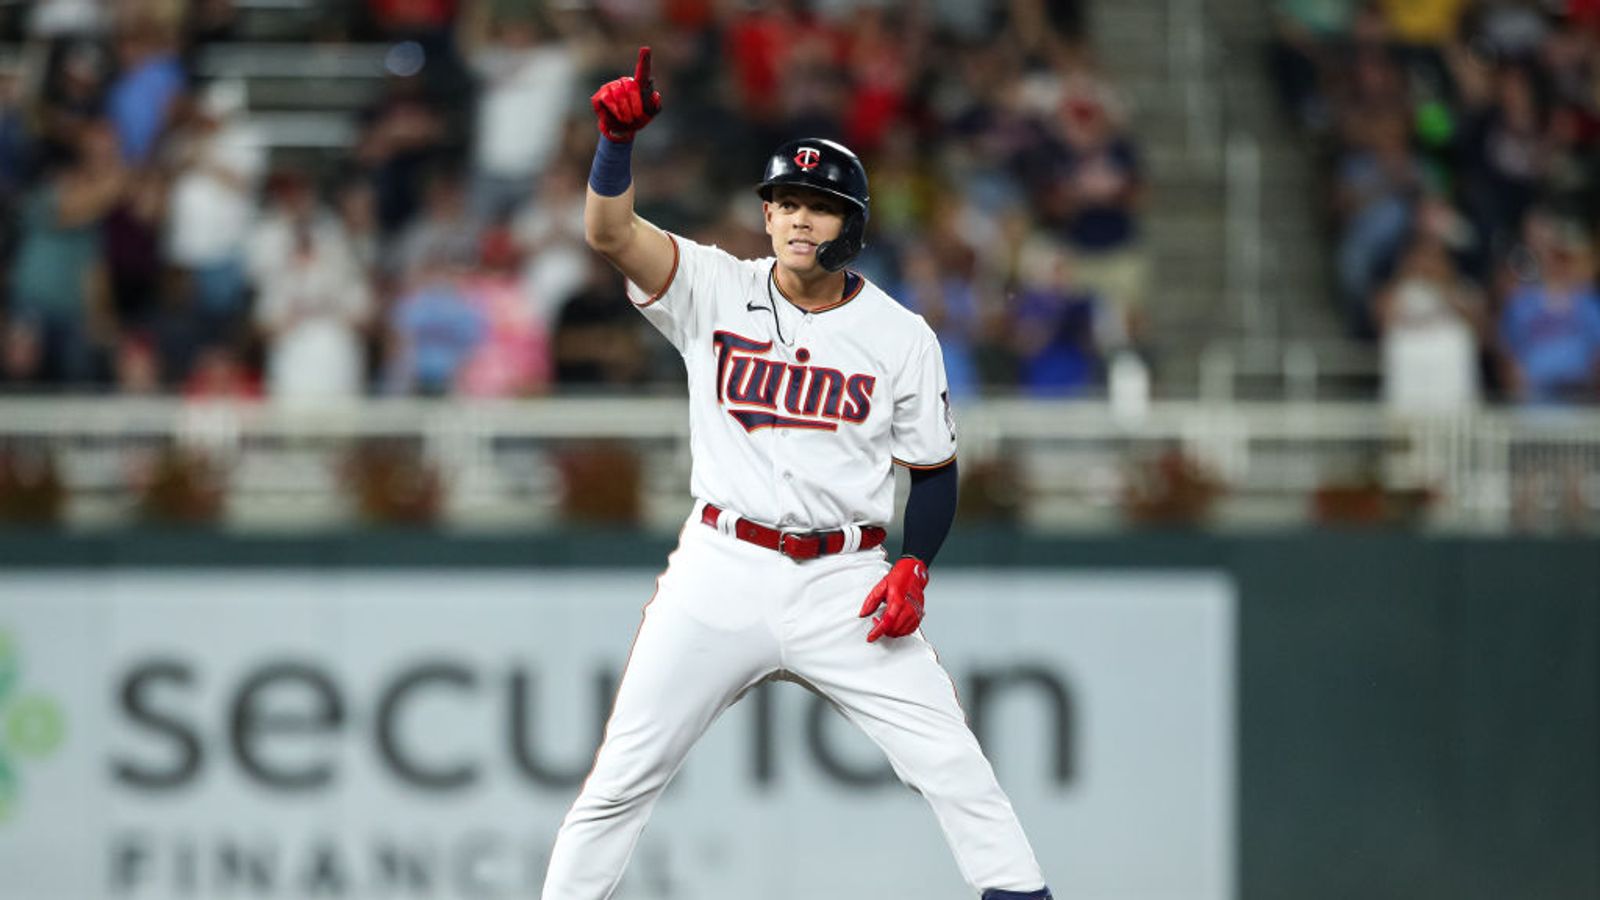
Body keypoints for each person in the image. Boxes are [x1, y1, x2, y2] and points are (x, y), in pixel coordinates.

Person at [540, 48, 1052, 900]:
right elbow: (609, 233)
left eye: (820, 206)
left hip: (844, 579)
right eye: (785, 202)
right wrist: (615, 148)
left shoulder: (898, 335)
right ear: (766, 214)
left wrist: (915, 561)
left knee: (955, 765)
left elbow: (933, 472)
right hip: (722, 564)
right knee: (621, 778)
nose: (798, 219)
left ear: (850, 225)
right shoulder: (713, 286)